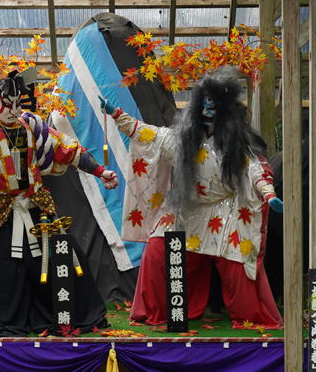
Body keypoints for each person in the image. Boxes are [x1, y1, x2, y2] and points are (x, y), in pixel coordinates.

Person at [100, 67, 284, 329]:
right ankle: (158, 311)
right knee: (156, 252)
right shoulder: (181, 138)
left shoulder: (238, 142)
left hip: (226, 211)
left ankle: (249, 315)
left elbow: (256, 168)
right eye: (205, 101)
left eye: (214, 103)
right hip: (185, 210)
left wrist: (268, 194)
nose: (208, 107)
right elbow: (146, 134)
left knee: (240, 261)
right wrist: (116, 114)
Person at [0, 67, 118, 337]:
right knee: (3, 272)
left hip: (37, 207)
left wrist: (100, 171)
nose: (14, 110)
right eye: (7, 104)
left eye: (18, 103)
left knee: (63, 257)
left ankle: (70, 316)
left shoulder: (33, 127)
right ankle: (8, 322)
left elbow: (67, 149)